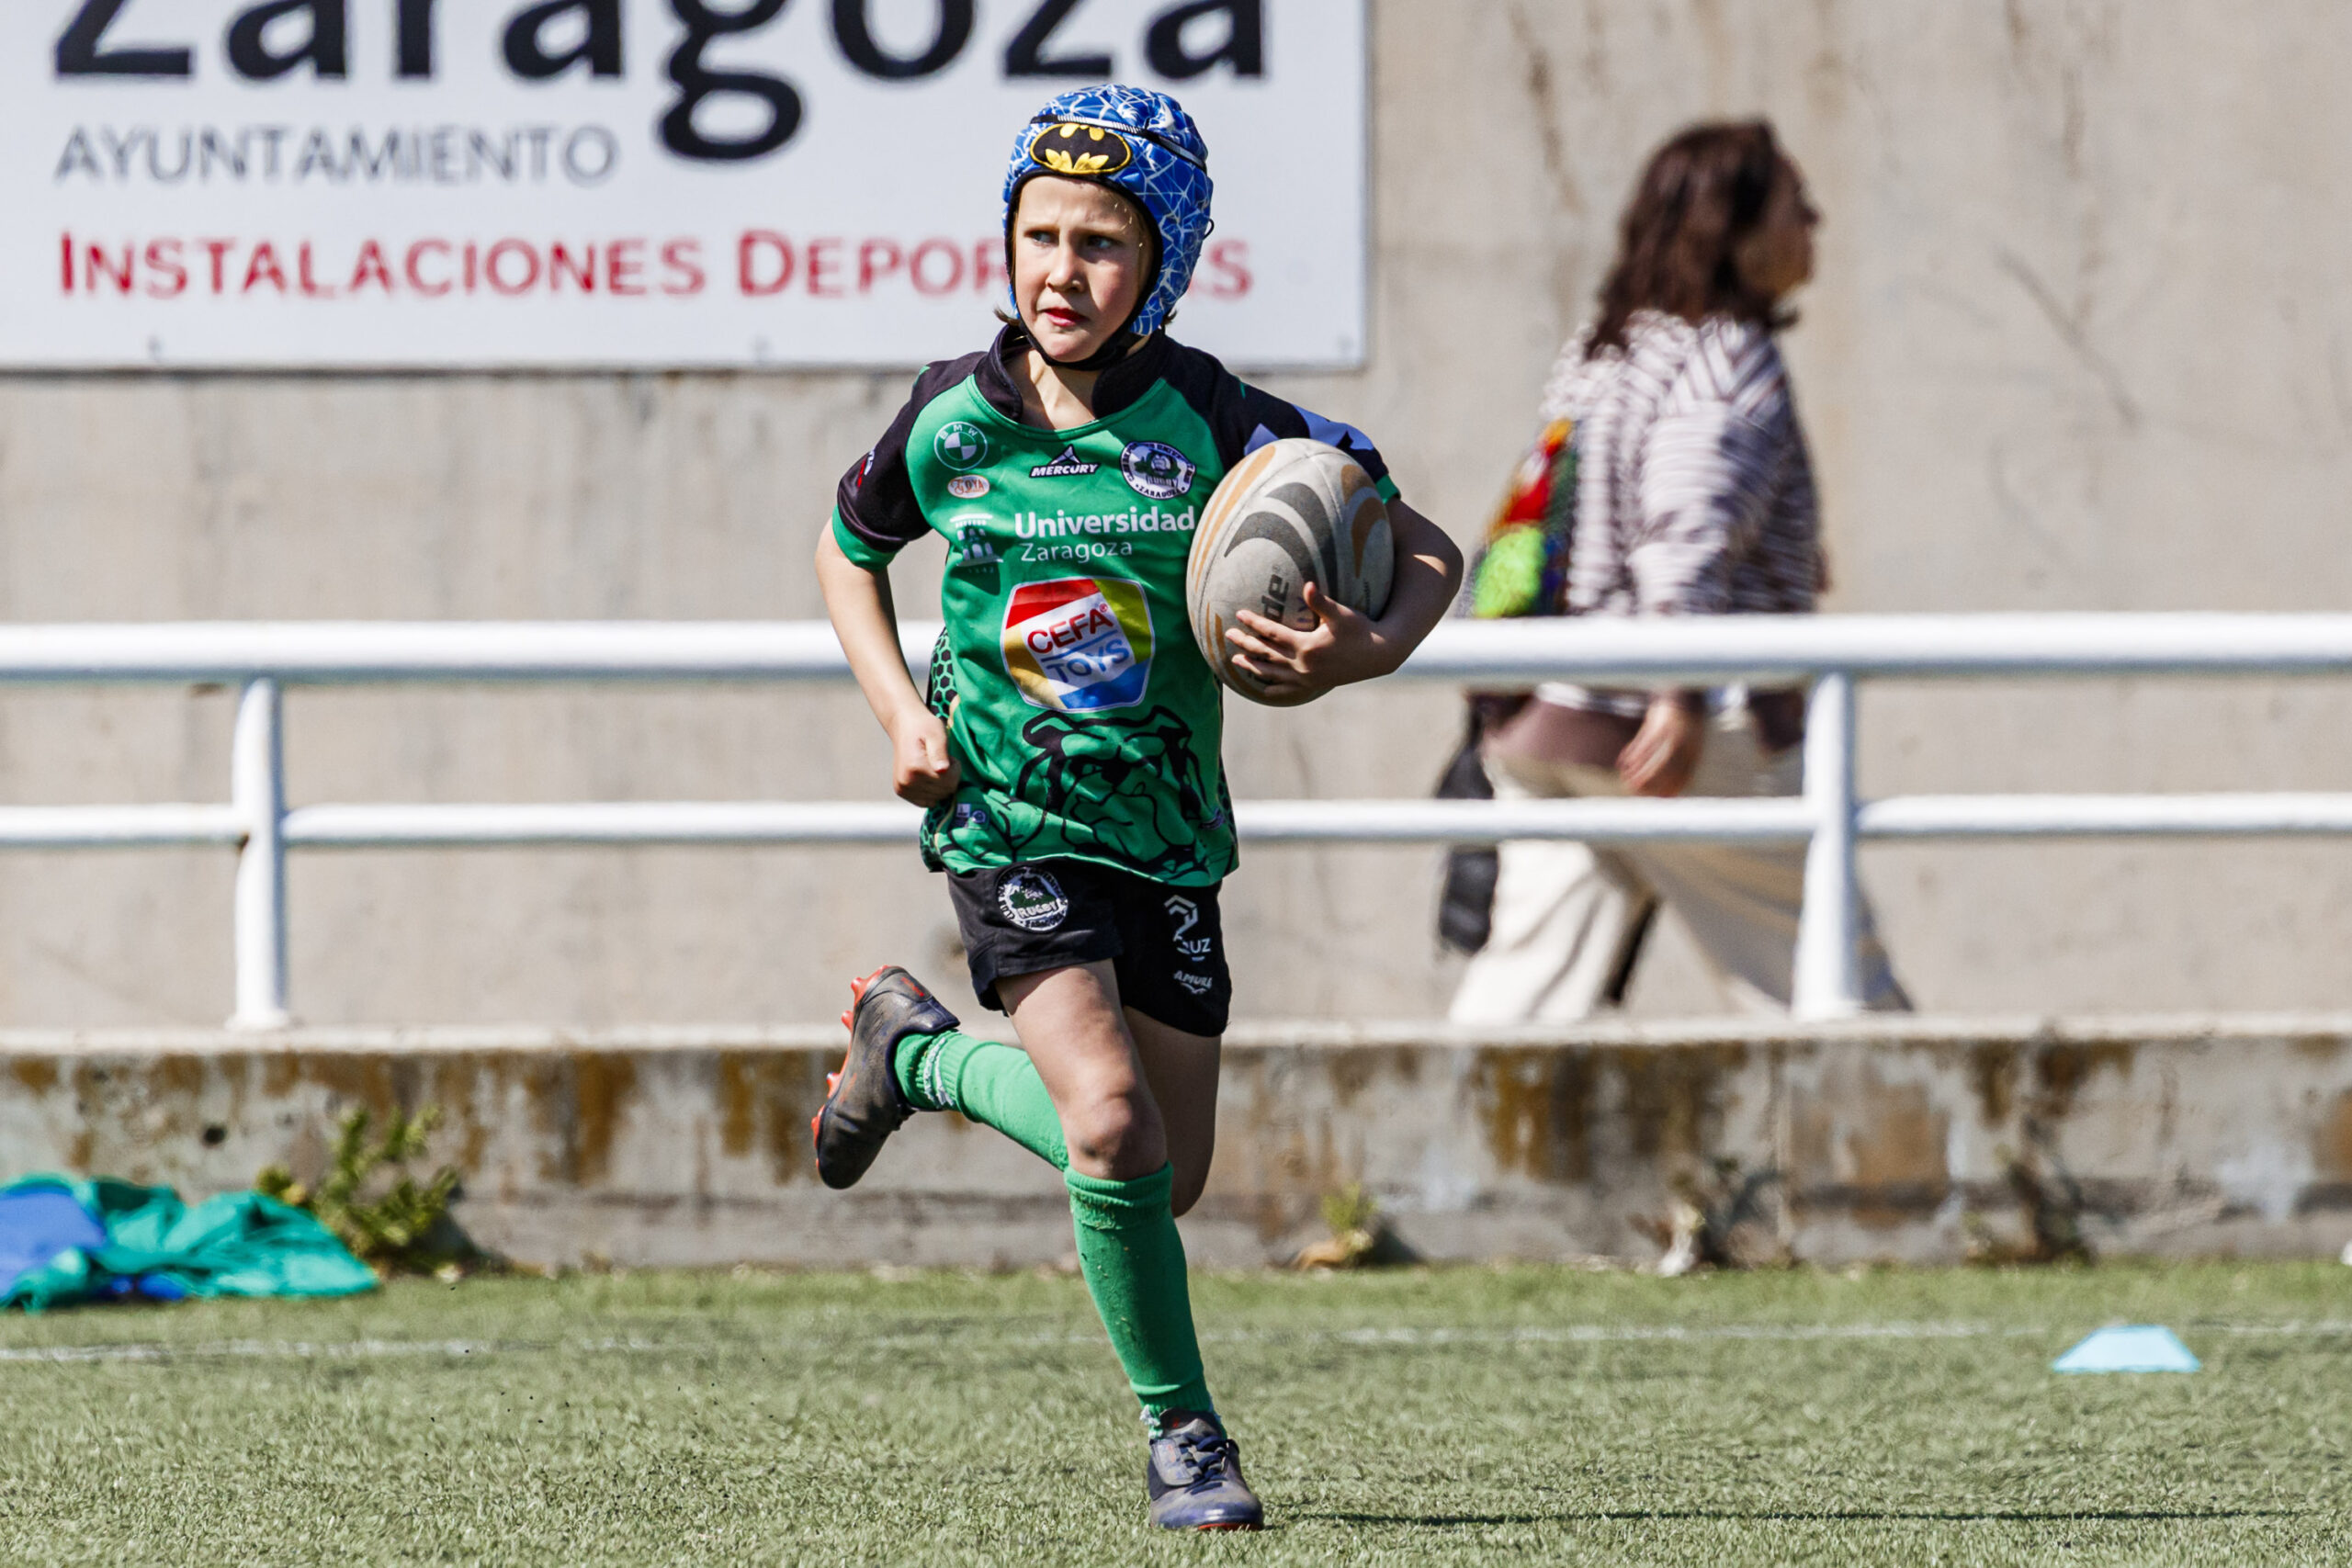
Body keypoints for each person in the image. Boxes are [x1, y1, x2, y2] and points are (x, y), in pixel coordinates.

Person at [811, 85, 1462, 1531]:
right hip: (1008, 821)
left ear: (1164, 261)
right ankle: (1186, 1438)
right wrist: (903, 713)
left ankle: (913, 1054)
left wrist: (1374, 641)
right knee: (1107, 1121)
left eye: (1100, 243)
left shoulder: (1228, 420)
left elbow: (1425, 542)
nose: (1060, 270)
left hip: (1166, 829)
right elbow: (845, 548)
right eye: (1038, 235)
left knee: (1164, 1176)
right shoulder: (951, 418)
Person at [1450, 120, 1907, 1024]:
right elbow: (1682, 535)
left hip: (1554, 724)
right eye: (1792, 205)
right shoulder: (1727, 357)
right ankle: (1916, 1166)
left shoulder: (1608, 345)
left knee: (1522, 1003)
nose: (1814, 221)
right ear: (1732, 231)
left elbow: (1573, 515)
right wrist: (1678, 693)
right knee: (1828, 983)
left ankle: (1427, 1167)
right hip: (1679, 734)